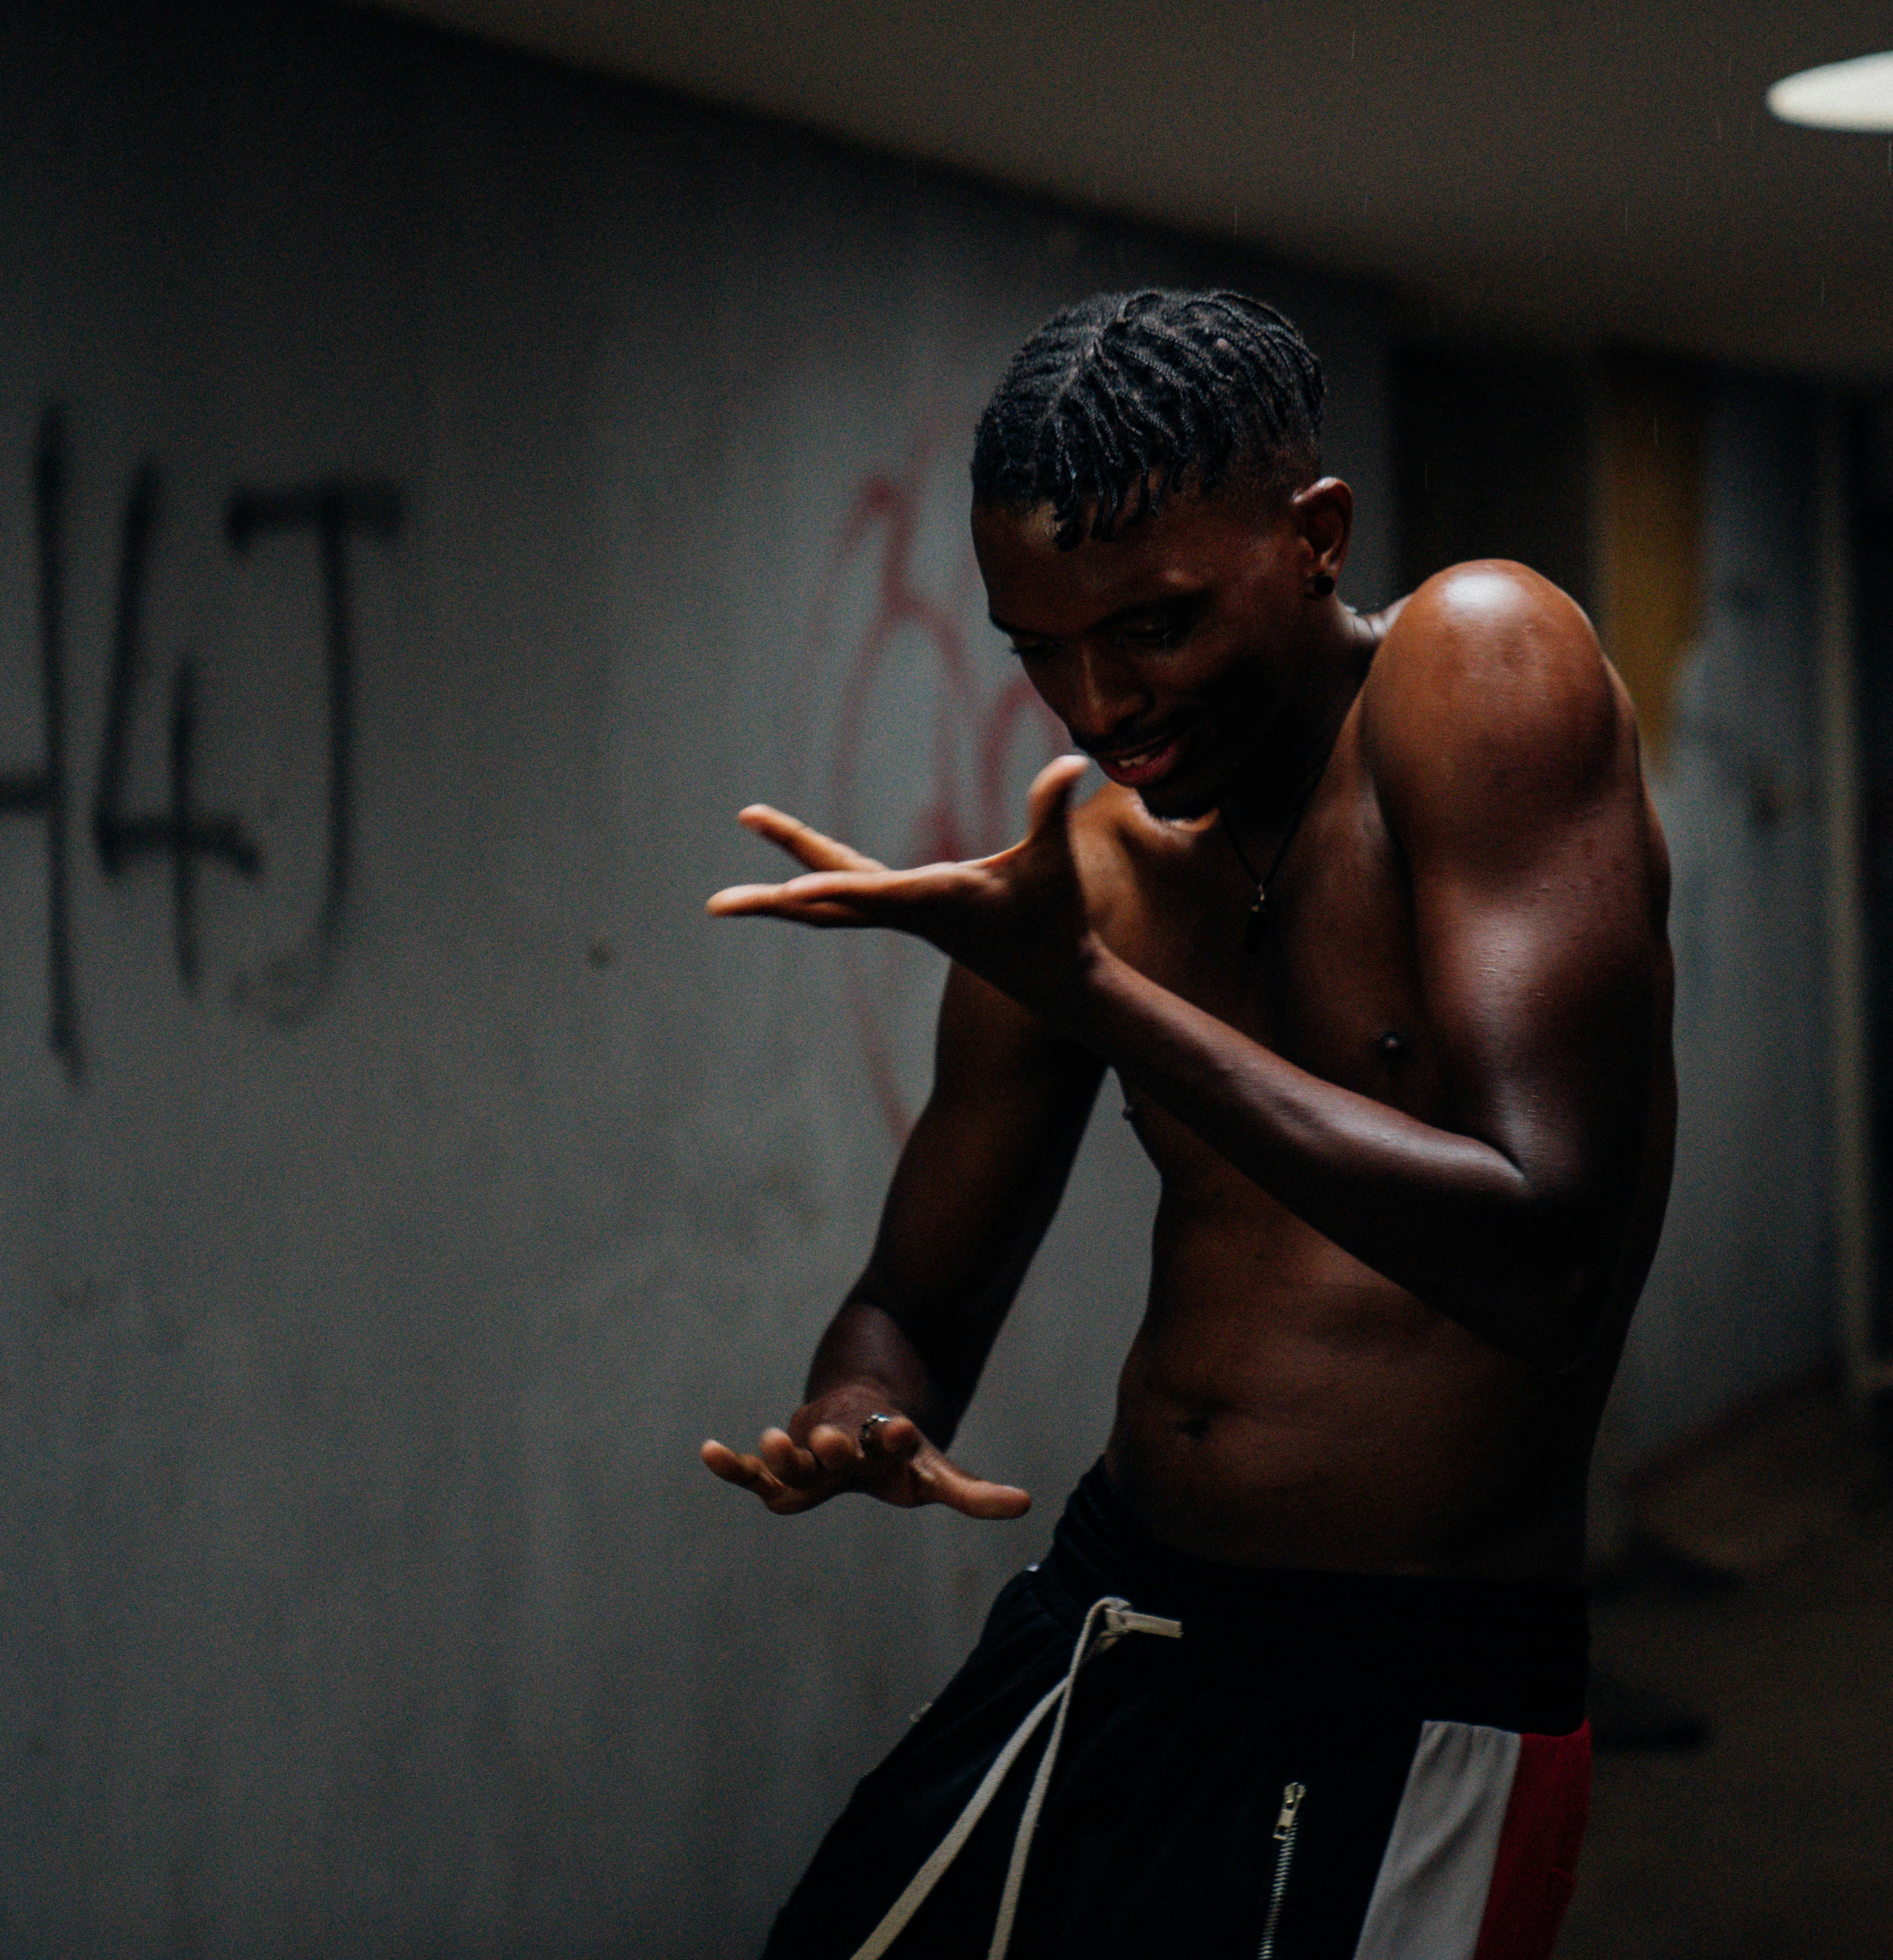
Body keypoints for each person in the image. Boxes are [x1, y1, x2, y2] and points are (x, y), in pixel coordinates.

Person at [700, 289, 1674, 1960]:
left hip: (1405, 1685)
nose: (1095, 706)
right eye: (1038, 648)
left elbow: (1551, 1257)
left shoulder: (1478, 668)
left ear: (1315, 538)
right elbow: (914, 1309)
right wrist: (861, 1407)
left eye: (1151, 627)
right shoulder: (1081, 877)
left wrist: (1099, 996)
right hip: (1113, 1618)